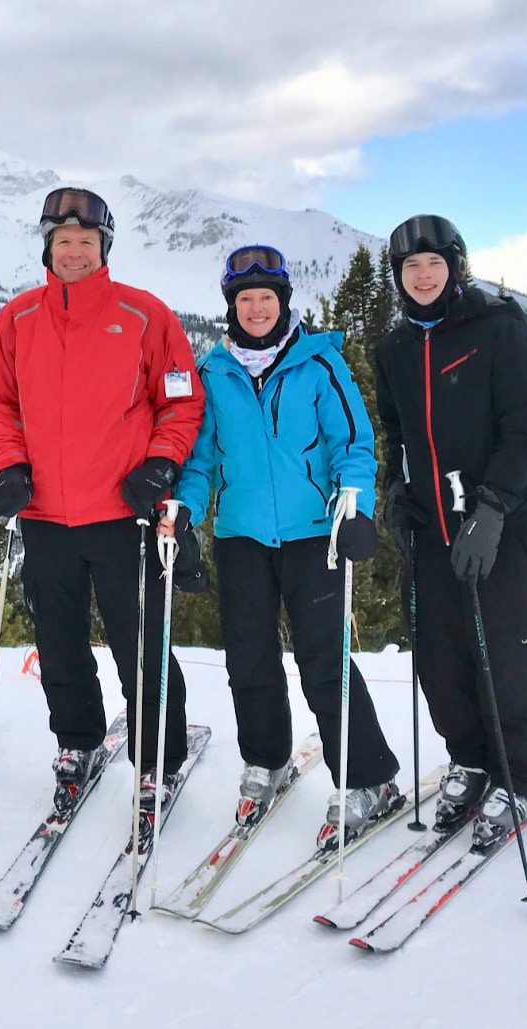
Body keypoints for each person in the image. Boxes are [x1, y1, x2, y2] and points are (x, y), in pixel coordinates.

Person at [0, 186, 204, 837]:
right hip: (46, 514)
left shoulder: (144, 314)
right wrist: (10, 466)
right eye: (63, 241)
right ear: (47, 246)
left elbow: (181, 398)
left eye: (85, 241)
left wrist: (161, 463)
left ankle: (157, 760)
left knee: (142, 644)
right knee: (59, 641)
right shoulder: (18, 318)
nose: (74, 251)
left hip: (123, 511)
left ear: (102, 246)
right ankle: (77, 740)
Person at [161, 246, 400, 846]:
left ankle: (370, 778)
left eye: (267, 297)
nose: (258, 308)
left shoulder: (319, 365)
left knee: (324, 662)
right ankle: (265, 758)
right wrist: (185, 509)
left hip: (314, 537)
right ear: (232, 307)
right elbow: (203, 456)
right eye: (246, 299)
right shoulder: (216, 373)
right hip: (241, 536)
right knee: (248, 660)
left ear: (284, 302)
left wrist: (355, 509)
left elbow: (354, 445)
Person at [374, 214, 527, 847]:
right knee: (441, 659)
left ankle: (522, 774)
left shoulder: (498, 332)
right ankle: (473, 758)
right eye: (410, 268)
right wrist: (399, 496)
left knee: (508, 658)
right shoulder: (395, 348)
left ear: (455, 266)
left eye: (434, 264)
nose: (422, 277)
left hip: (507, 527)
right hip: (433, 530)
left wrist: (493, 509)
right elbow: (398, 435)